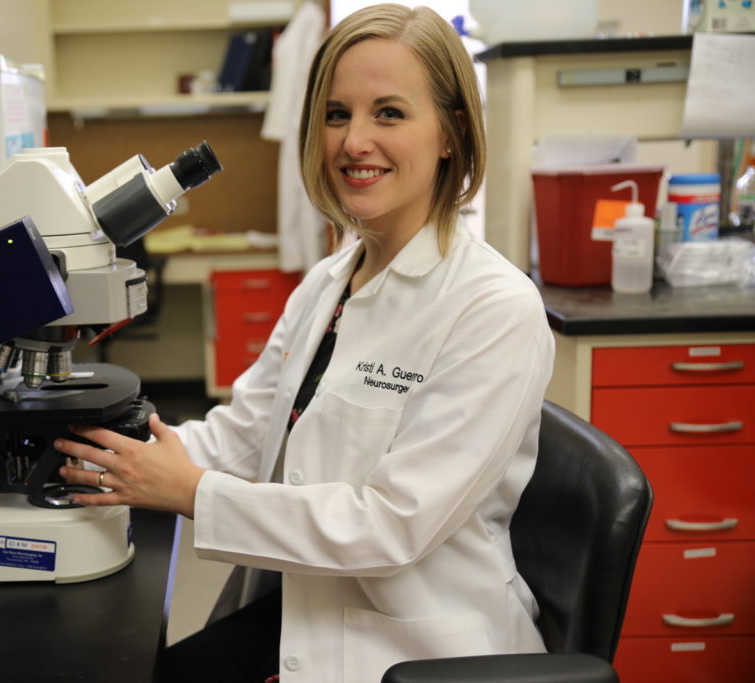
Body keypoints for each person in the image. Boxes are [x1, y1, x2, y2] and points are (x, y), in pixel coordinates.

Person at [53, 4, 555, 682]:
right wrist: (113, 455)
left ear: (451, 133)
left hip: (417, 650)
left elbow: (390, 527)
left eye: (389, 113)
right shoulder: (329, 282)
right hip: (305, 609)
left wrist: (193, 492)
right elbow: (248, 433)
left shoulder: (493, 308)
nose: (354, 141)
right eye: (337, 114)